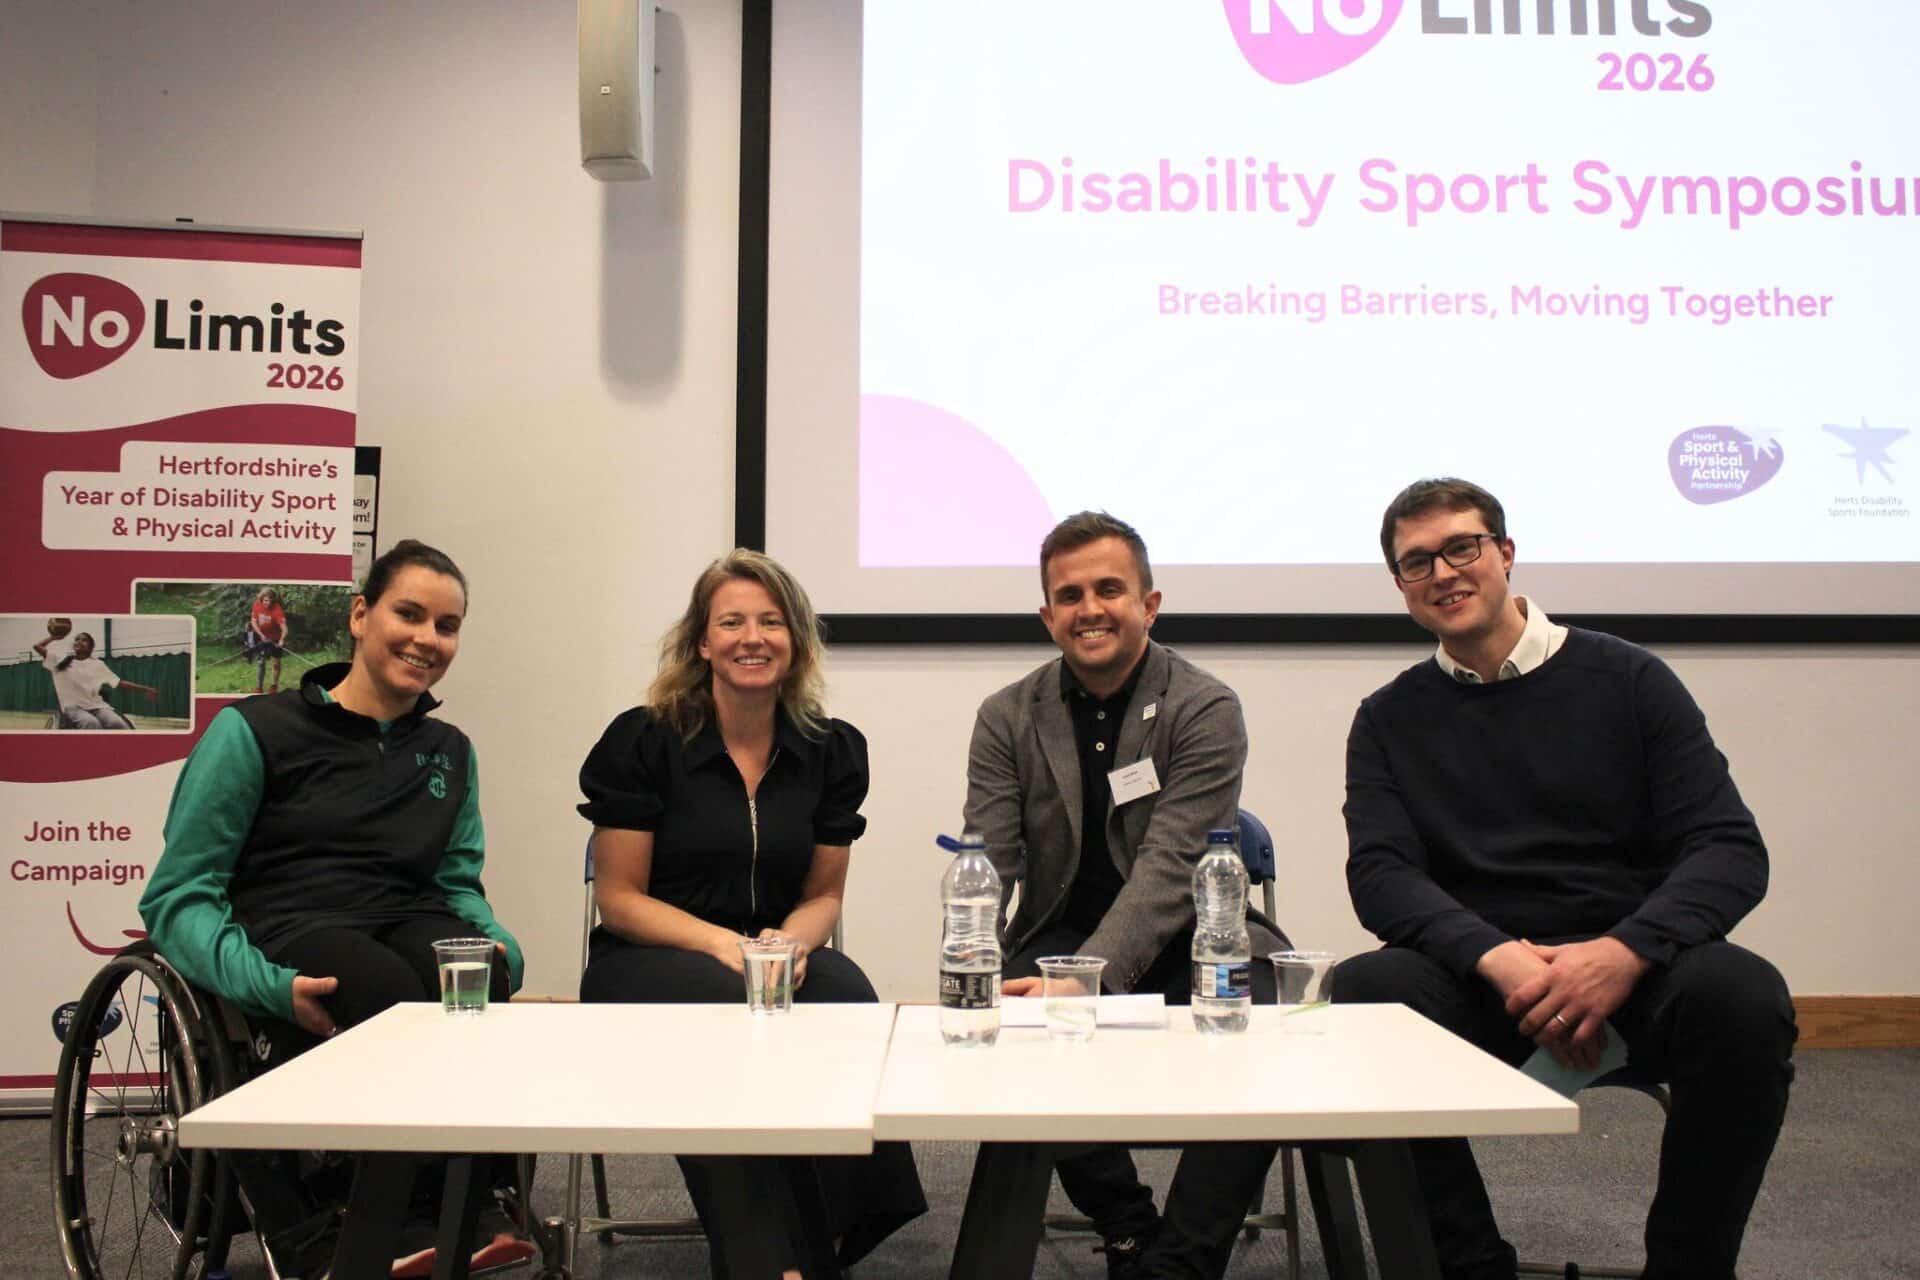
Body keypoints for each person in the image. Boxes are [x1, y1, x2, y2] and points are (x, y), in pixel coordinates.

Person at [1334, 477, 1796, 1280]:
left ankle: (1686, 1268)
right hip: (1485, 982)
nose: (1443, 573)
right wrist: (1499, 959)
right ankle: (1468, 1268)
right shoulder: (1386, 717)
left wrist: (1621, 954)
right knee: (1368, 991)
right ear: (1400, 585)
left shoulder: (1631, 680)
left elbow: (1727, 847)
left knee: (1743, 997)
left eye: (1462, 548)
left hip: (1636, 975)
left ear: (1506, 553)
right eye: (1417, 562)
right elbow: (1381, 876)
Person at [139, 541, 532, 1280]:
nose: (427, 639)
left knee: (480, 975)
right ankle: (347, 1226)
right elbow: (178, 895)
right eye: (408, 614)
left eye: (446, 626)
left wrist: (498, 941)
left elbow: (456, 882)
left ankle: (460, 1203)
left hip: (406, 915)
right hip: (290, 921)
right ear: (359, 615)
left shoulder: (449, 750)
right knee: (387, 992)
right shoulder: (254, 731)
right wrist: (262, 984)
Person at [577, 548, 926, 1279]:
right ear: (702, 642)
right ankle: (773, 1262)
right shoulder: (644, 741)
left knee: (845, 991)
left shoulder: (831, 750)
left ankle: (827, 1238)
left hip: (767, 959)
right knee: (728, 1013)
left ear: (795, 640)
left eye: (771, 621)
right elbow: (620, 898)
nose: (752, 637)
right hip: (647, 960)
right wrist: (725, 946)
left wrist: (790, 945)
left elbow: (823, 897)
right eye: (731, 622)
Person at [964, 511, 1287, 1280]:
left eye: (1109, 589)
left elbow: (1173, 868)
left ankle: (1182, 1261)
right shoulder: (1006, 716)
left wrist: (1088, 981)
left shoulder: (1204, 706)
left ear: (1150, 603)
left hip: (1196, 933)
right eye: (1069, 595)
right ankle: (1128, 1226)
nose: (1090, 609)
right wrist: (972, 966)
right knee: (1015, 1016)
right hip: (1059, 933)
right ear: (1048, 616)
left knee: (1269, 1014)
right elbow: (989, 861)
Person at [35, 626, 159, 729]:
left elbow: (119, 682)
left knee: (118, 724)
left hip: (97, 706)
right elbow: (37, 646)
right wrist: (53, 637)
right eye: (77, 639)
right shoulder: (61, 660)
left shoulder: (98, 664)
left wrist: (146, 689)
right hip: (73, 707)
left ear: (90, 647)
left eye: (84, 640)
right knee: (91, 724)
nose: (79, 641)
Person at [247, 587, 291, 693]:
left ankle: (274, 685)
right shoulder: (257, 604)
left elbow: (284, 627)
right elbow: (253, 621)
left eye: (271, 600)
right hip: (261, 636)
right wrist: (261, 634)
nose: (268, 603)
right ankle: (259, 687)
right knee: (261, 662)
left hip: (275, 638)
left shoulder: (277, 609)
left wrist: (282, 640)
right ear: (261, 599)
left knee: (276, 664)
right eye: (266, 600)